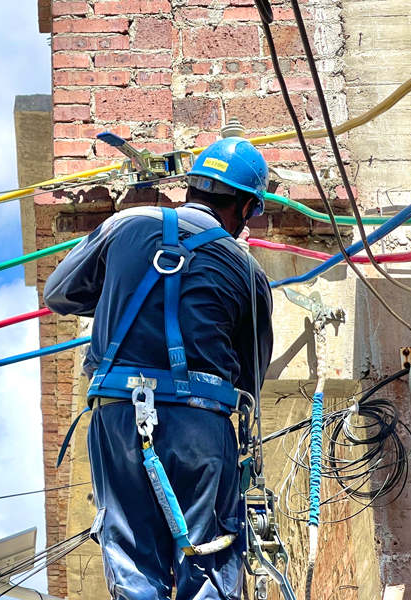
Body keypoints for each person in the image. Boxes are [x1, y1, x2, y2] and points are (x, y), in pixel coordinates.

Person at [43, 135, 275, 600]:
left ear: (192, 186)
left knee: (132, 563)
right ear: (247, 207)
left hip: (119, 415)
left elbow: (59, 293)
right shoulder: (251, 275)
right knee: (208, 561)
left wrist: (117, 296)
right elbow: (248, 383)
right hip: (201, 424)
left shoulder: (125, 224)